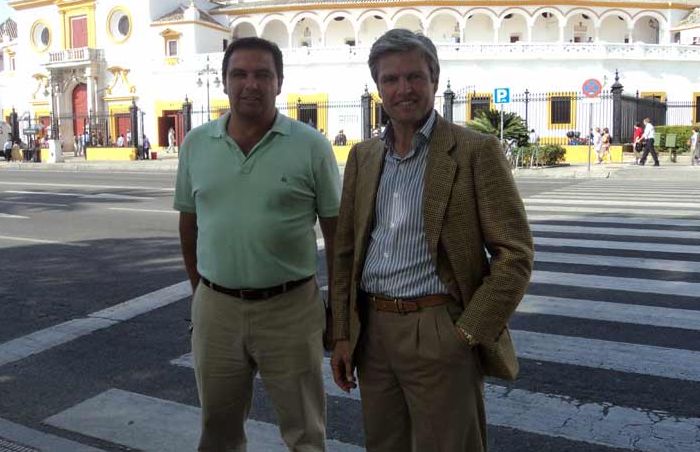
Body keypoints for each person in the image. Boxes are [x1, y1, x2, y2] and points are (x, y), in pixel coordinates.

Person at [329, 29, 533, 452]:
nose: (403, 89)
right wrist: (343, 335)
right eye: (390, 79)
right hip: (373, 330)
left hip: (438, 325)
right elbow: (346, 252)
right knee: (384, 444)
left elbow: (515, 254)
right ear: (378, 87)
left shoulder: (475, 150)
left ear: (435, 80)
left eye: (414, 77)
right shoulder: (364, 157)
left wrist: (467, 332)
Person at [174, 37, 341, 452]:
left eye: (263, 74)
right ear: (225, 82)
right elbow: (188, 224)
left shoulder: (311, 146)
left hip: (291, 310)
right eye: (240, 74)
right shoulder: (195, 144)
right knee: (218, 431)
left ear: (280, 82)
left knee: (305, 432)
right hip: (217, 311)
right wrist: (202, 293)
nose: (251, 84)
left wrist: (339, 314)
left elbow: (338, 237)